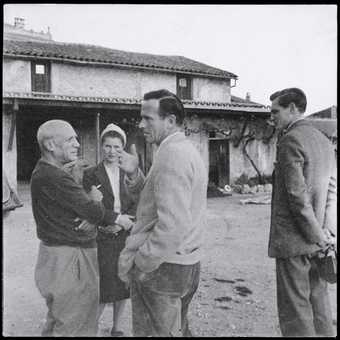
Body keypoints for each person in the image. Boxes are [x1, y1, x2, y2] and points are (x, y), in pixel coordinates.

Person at [117, 89, 208, 337]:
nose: (141, 124)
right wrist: (135, 176)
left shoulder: (172, 155)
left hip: (164, 267)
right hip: (183, 263)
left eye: (148, 118)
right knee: (177, 329)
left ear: (170, 121)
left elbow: (173, 224)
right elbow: (156, 206)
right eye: (141, 117)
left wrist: (142, 262)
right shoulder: (183, 150)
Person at [31, 119, 119, 336]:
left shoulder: (44, 172)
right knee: (76, 323)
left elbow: (85, 212)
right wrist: (95, 199)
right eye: (70, 139)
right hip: (71, 259)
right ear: (51, 145)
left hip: (57, 257)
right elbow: (95, 212)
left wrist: (89, 210)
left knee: (59, 319)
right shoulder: (56, 176)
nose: (77, 144)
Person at [267, 88, 337, 337]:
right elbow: (332, 190)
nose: (271, 116)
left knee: (295, 312)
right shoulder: (323, 140)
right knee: (319, 305)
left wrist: (316, 235)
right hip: (319, 241)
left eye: (276, 111)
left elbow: (297, 197)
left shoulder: (290, 140)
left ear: (293, 108)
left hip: (295, 242)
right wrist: (327, 233)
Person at [82, 124, 137, 337]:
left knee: (124, 283)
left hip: (125, 235)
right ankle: (90, 329)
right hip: (102, 236)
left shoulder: (129, 173)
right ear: (101, 146)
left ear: (122, 148)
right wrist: (113, 219)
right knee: (104, 286)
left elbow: (137, 201)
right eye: (107, 146)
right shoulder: (91, 174)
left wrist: (127, 221)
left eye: (116, 147)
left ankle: (117, 327)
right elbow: (90, 206)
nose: (111, 151)